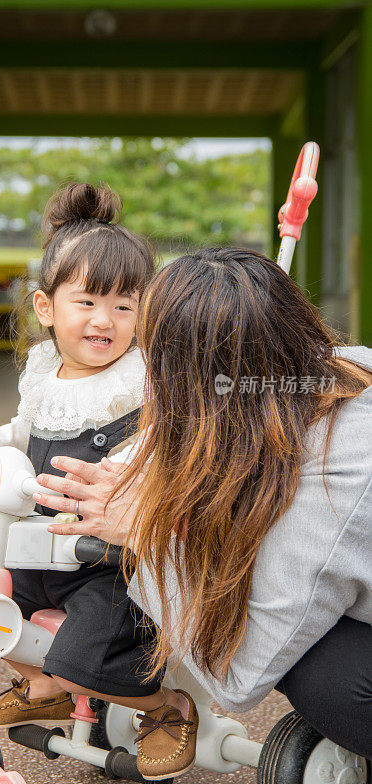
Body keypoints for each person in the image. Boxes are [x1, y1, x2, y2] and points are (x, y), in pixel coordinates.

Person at [34, 248, 372, 760]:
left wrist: (150, 536)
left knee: (325, 674)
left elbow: (240, 676)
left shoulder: (338, 482)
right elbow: (199, 438)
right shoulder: (320, 374)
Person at [0, 183, 198, 781]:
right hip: (41, 546)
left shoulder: (141, 382)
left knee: (90, 647)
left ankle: (165, 708)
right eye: (87, 302)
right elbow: (25, 428)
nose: (105, 321)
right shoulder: (43, 371)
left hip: (110, 558)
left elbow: (159, 442)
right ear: (45, 308)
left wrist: (131, 471)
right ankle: (45, 687)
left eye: (124, 306)